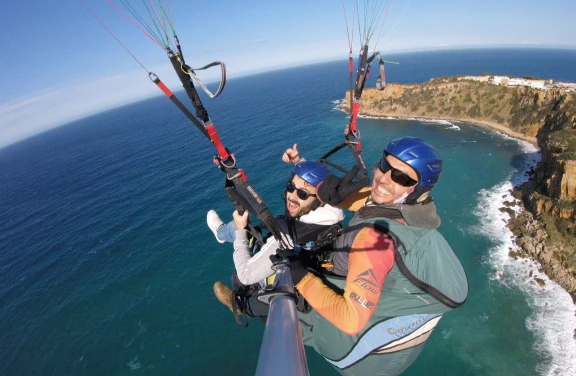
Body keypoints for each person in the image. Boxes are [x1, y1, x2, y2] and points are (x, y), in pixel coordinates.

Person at [275, 137, 468, 376]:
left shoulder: (373, 240)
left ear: (416, 189)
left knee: (270, 299)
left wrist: (300, 276)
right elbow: (340, 196)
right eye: (385, 166)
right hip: (392, 351)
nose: (384, 179)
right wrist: (302, 166)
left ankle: (241, 303)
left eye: (401, 177)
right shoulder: (412, 212)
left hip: (356, 355)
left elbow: (350, 319)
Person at [208, 160, 344, 319]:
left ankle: (238, 306)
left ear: (319, 198)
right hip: (307, 263)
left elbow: (246, 274)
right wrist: (300, 161)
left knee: (240, 234)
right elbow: (322, 186)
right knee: (248, 228)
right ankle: (224, 232)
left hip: (282, 278)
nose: (292, 197)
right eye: (290, 187)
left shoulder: (287, 236)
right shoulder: (333, 213)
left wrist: (240, 231)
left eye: (302, 194)